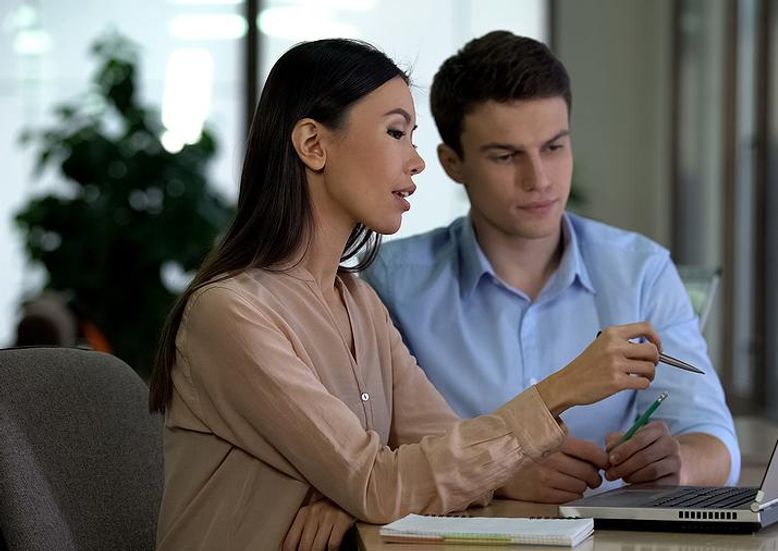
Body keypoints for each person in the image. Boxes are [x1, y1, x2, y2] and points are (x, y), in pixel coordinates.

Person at [147, 38, 664, 551]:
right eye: (396, 132)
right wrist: (563, 388)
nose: (416, 162)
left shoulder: (359, 302)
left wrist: (352, 493)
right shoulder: (231, 314)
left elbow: (433, 448)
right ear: (313, 145)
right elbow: (377, 484)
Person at [362, 31, 740, 504]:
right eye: (505, 156)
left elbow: (714, 436)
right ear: (452, 163)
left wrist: (677, 462)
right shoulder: (389, 282)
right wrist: (497, 474)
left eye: (554, 147)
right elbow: (369, 455)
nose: (538, 180)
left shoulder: (641, 270)